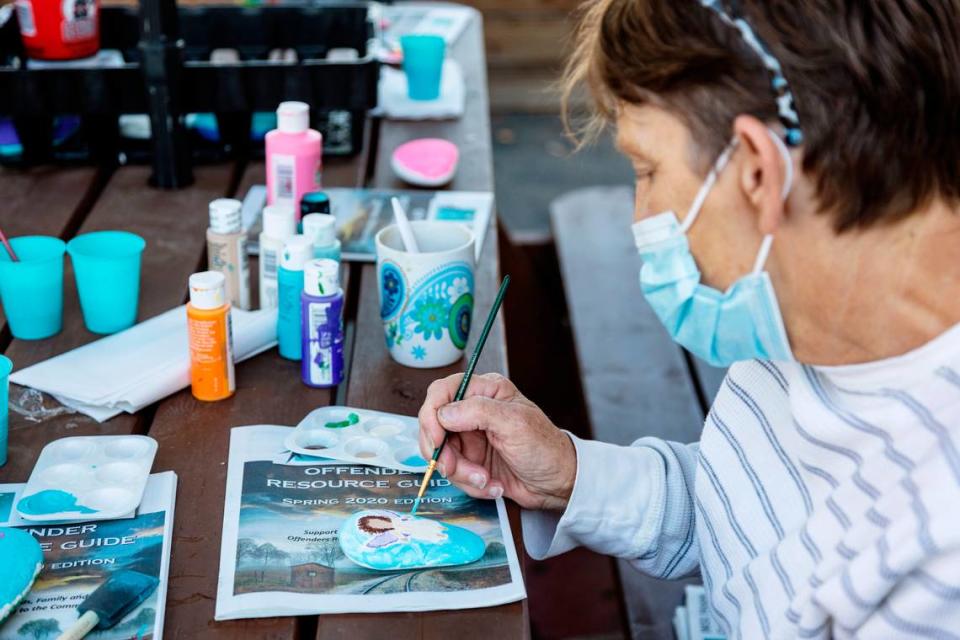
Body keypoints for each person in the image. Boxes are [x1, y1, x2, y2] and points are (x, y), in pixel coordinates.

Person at [417, 0, 960, 637]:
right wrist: (566, 472)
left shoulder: (939, 548)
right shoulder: (805, 315)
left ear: (758, 171)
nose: (638, 214)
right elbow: (738, 514)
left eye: (647, 170)